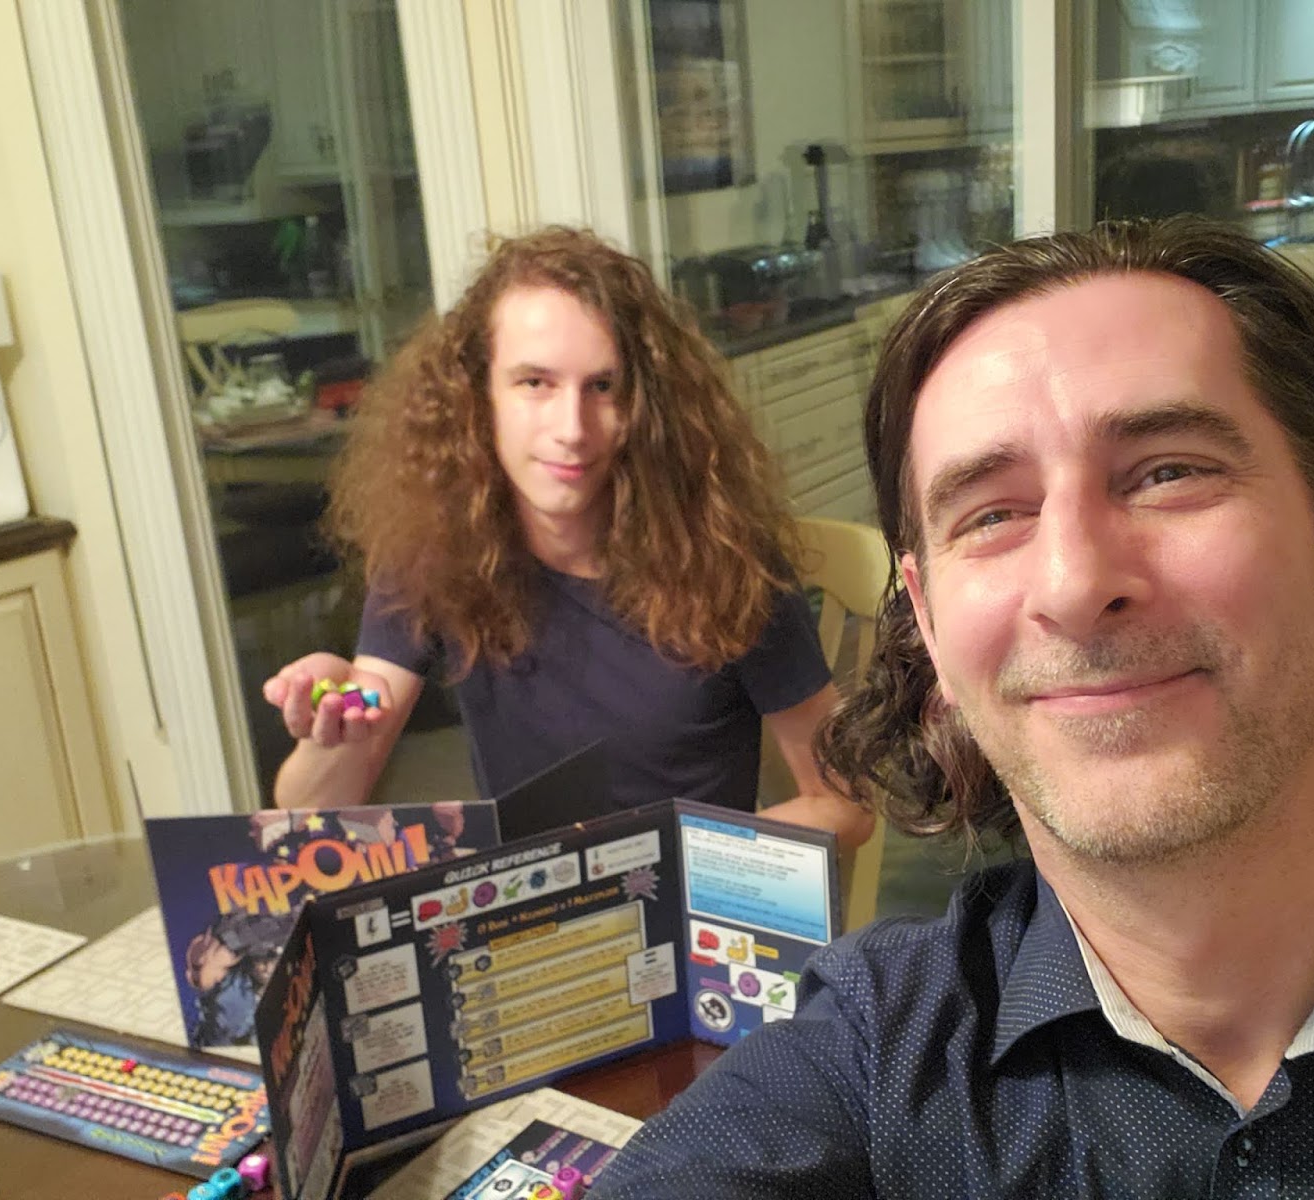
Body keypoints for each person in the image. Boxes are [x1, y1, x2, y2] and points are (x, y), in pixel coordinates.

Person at [591, 218, 1314, 1197]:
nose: (1073, 582)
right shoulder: (869, 1058)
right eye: (992, 515)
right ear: (930, 625)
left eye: (1169, 472)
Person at [262, 227, 871, 850]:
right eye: (535, 383)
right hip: (534, 898)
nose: (572, 429)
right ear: (477, 395)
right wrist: (332, 731)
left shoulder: (725, 557)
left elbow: (844, 806)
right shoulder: (435, 550)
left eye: (602, 387)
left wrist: (676, 853)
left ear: (645, 406)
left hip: (695, 893)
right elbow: (309, 813)